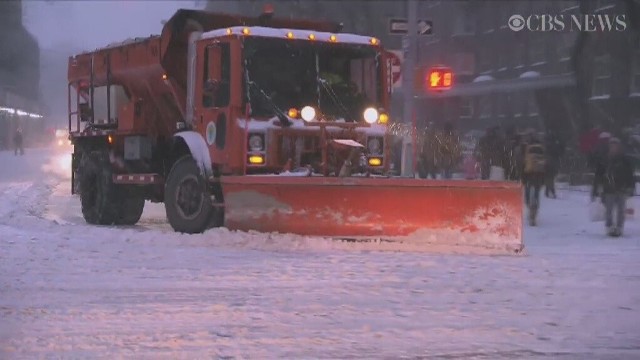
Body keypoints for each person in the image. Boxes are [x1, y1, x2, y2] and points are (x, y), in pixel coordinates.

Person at [592, 137, 636, 237]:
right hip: (608, 188)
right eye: (611, 146)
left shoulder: (624, 160)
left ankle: (619, 227)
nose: (613, 148)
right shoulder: (605, 159)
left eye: (615, 146)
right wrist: (596, 188)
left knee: (621, 209)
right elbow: (598, 175)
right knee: (609, 210)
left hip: (621, 187)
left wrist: (631, 187)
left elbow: (630, 174)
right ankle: (609, 227)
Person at [521, 131, 546, 226]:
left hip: (529, 173)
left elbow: (523, 163)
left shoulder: (526, 147)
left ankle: (530, 208)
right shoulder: (541, 148)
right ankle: (533, 214)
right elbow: (545, 164)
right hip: (538, 174)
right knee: (536, 193)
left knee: (528, 193)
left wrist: (522, 177)